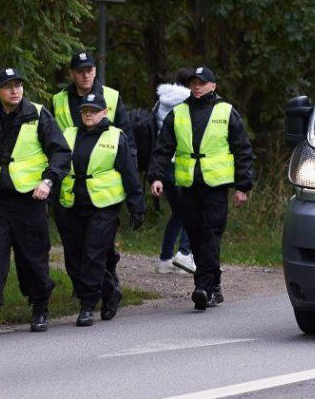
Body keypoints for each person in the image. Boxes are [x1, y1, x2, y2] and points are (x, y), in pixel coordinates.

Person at [0, 67, 70, 336]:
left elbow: (60, 152)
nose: (15, 90)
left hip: (30, 198)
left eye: (18, 85)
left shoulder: (38, 114)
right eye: (8, 86)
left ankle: (40, 306)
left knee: (32, 257)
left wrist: (48, 181)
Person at [147, 66, 254, 311]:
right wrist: (156, 177)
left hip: (216, 186)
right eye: (194, 83)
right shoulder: (179, 113)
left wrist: (242, 186)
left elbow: (243, 150)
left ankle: (203, 287)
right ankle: (213, 285)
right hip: (189, 185)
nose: (197, 87)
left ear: (213, 86)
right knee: (195, 236)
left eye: (202, 83)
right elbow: (163, 147)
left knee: (210, 234)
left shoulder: (226, 111)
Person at [51, 50, 134, 311]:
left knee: (99, 246)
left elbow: (126, 140)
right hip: (71, 188)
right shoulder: (59, 100)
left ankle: (101, 290)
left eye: (89, 69)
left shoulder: (111, 96)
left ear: (95, 72)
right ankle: (104, 289)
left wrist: (131, 182)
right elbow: (51, 139)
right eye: (80, 70)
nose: (85, 74)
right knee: (78, 249)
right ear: (72, 74)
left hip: (103, 188)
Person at [57, 92, 144, 326]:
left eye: (94, 111)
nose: (89, 115)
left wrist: (137, 206)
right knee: (74, 258)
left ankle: (87, 306)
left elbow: (129, 173)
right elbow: (56, 165)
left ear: (104, 113)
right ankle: (109, 292)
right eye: (85, 110)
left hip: (104, 205)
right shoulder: (68, 134)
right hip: (72, 203)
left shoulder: (116, 137)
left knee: (93, 254)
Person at [154, 68, 195, 275]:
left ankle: (164, 259)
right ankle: (185, 255)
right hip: (181, 164)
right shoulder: (189, 103)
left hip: (164, 165)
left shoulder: (162, 101)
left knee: (178, 212)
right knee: (190, 210)